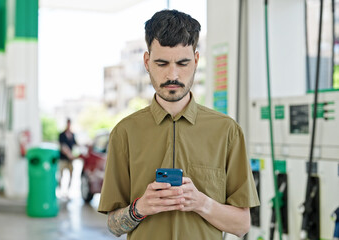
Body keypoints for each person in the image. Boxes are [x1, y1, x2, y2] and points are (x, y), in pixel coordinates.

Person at [97, 9, 260, 239]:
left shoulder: (227, 132)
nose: (172, 75)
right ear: (147, 61)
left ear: (195, 60)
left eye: (182, 63)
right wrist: (140, 208)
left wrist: (200, 202)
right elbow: (114, 226)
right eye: (161, 63)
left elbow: (242, 225)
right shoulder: (124, 133)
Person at [58, 118, 76, 198]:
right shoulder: (62, 135)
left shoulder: (72, 135)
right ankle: (61, 191)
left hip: (70, 160)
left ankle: (68, 191)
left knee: (71, 175)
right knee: (61, 175)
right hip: (63, 159)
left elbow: (75, 145)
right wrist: (69, 154)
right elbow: (63, 146)